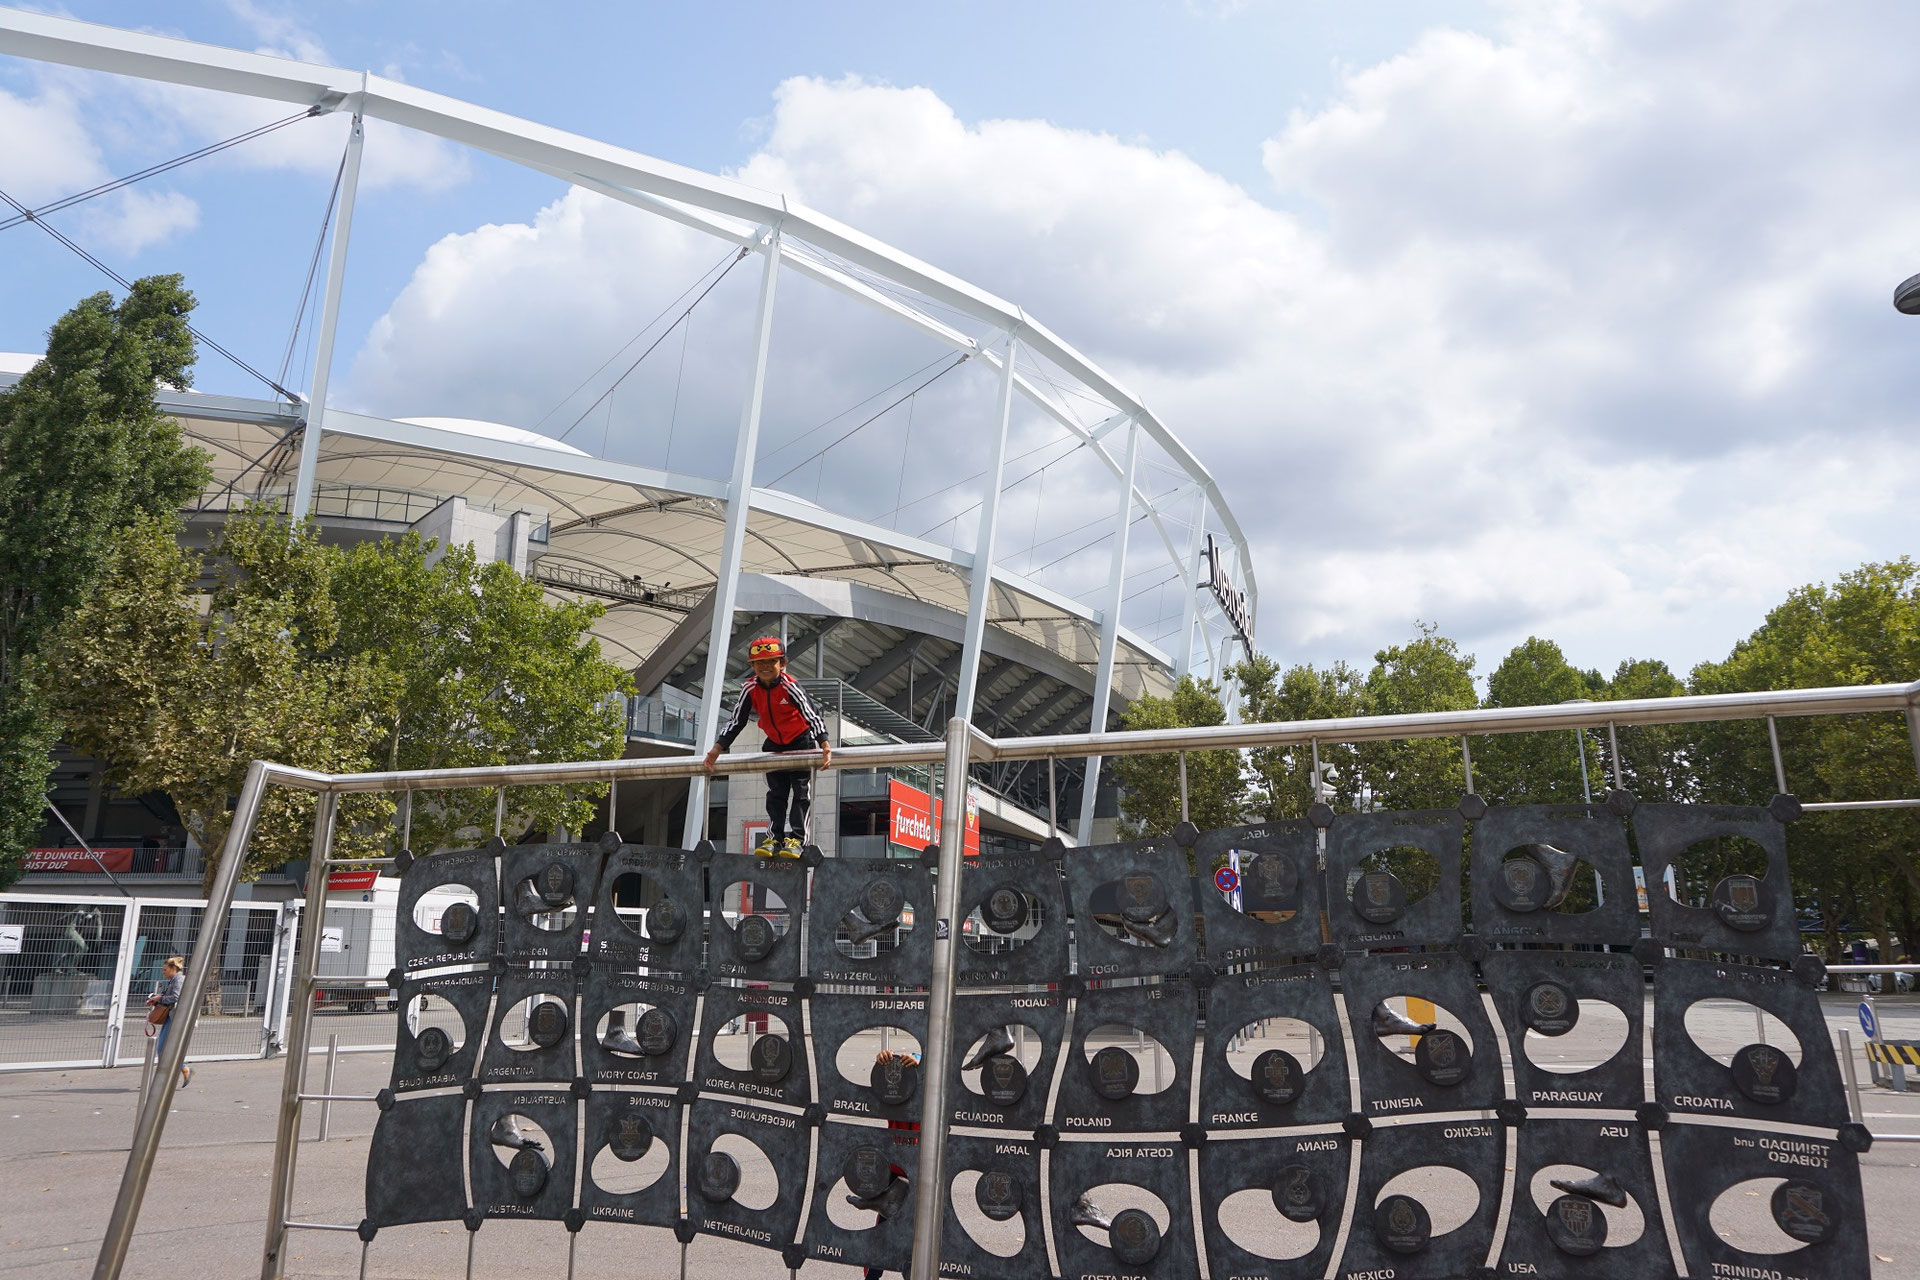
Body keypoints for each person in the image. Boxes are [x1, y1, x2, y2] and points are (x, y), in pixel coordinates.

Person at [702, 636, 832, 857]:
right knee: (775, 795)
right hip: (774, 744)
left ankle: (797, 840)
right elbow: (736, 720)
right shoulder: (750, 688)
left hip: (801, 742)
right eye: (759, 663)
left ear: (782, 664)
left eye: (771, 662)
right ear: (752, 667)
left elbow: (812, 714)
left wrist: (824, 744)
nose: (765, 667)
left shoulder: (791, 686)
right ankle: (774, 838)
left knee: (801, 794)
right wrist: (717, 749)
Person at [145, 956, 191, 1088]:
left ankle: (165, 1079)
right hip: (171, 1016)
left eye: (165, 969)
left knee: (162, 1048)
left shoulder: (178, 980)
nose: (163, 972)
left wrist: (160, 998)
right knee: (166, 1048)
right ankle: (180, 1070)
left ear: (174, 968)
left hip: (175, 1017)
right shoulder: (174, 980)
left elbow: (176, 997)